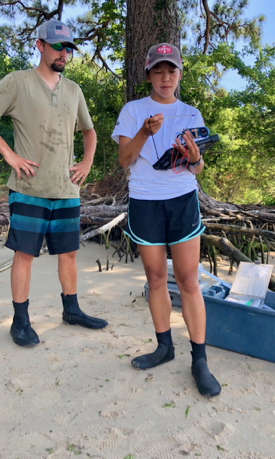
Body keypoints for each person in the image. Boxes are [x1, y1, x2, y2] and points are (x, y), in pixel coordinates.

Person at [111, 43, 221, 397]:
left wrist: (194, 157)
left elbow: (197, 167)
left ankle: (199, 360)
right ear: (148, 75)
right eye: (158, 71)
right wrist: (145, 132)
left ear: (179, 75)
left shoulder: (191, 113)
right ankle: (164, 346)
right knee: (156, 277)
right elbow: (124, 160)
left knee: (189, 280)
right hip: (145, 201)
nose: (165, 78)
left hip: (182, 200)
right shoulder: (133, 111)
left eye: (171, 71)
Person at [0, 20, 108, 347]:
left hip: (66, 190)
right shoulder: (17, 82)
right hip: (29, 188)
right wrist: (10, 156)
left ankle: (71, 310)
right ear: (40, 45)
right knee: (24, 255)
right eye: (58, 46)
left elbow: (89, 131)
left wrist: (87, 162)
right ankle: (20, 321)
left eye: (68, 48)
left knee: (69, 254)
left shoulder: (74, 90)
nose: (64, 53)